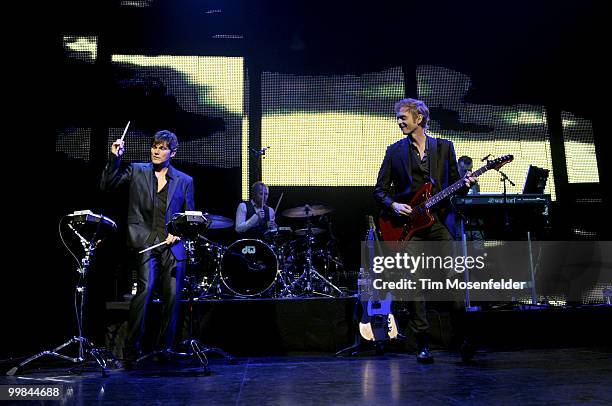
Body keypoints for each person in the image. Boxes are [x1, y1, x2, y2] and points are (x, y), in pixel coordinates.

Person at [373, 98, 476, 363]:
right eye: (397, 117)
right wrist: (394, 205)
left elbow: (455, 184)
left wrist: (466, 184)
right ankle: (423, 343)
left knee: (454, 278)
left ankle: (463, 338)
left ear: (419, 119)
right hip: (410, 228)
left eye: (402, 117)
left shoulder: (444, 147)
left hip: (439, 223)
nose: (398, 122)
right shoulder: (394, 151)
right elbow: (380, 190)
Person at [100, 130, 195, 365]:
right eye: (155, 146)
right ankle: (133, 348)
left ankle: (166, 349)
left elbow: (189, 217)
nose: (156, 150)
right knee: (145, 290)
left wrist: (179, 233)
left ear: (172, 152)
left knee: (172, 296)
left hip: (172, 246)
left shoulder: (184, 181)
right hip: (146, 242)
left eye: (162, 148)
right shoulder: (136, 170)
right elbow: (107, 185)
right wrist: (115, 159)